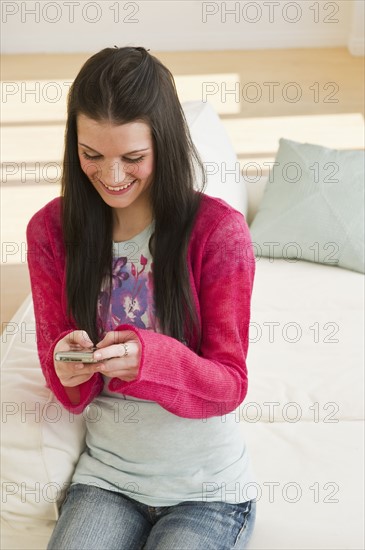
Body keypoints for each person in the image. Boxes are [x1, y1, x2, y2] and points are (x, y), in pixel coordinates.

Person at [26, 46, 257, 550]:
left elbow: (229, 385)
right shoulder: (50, 232)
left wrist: (151, 357)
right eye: (92, 155)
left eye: (132, 158)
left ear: (165, 144)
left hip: (208, 493)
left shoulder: (218, 233)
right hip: (107, 480)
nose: (112, 177)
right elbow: (65, 384)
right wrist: (66, 369)